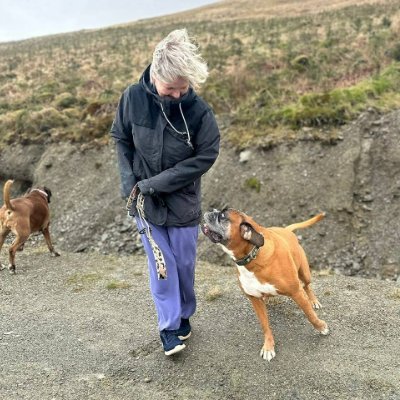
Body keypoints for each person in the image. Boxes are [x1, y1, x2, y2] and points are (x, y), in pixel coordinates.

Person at [110, 29, 220, 356]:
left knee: (184, 264)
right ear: (155, 74)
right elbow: (121, 138)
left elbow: (206, 155)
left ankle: (185, 313)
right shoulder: (132, 98)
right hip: (145, 204)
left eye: (183, 88)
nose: (176, 94)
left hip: (183, 203)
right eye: (170, 88)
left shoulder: (199, 111)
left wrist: (157, 182)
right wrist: (130, 181)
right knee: (163, 266)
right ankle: (169, 328)